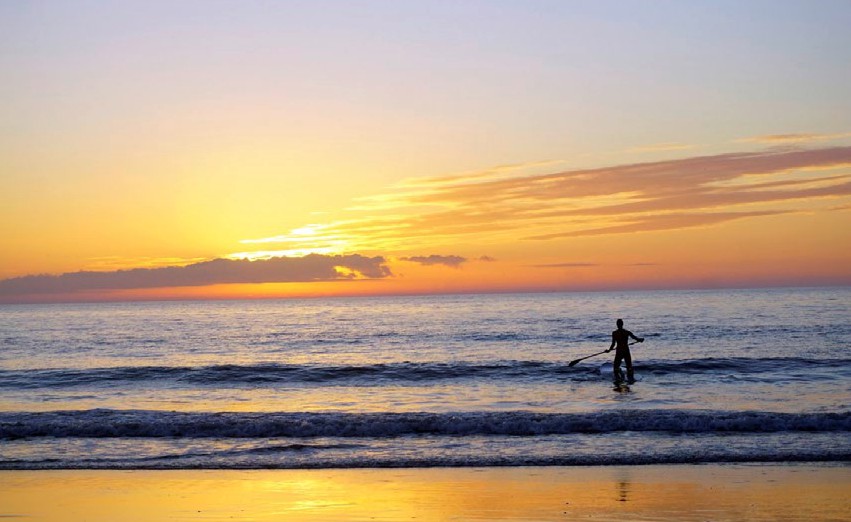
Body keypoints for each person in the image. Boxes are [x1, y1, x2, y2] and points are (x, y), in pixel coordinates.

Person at [606, 318, 644, 383]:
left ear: (617, 325)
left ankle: (618, 376)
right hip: (626, 351)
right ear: (622, 324)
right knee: (629, 366)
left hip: (619, 351)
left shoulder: (615, 333)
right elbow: (636, 338)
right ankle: (630, 377)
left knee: (615, 367)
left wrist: (609, 350)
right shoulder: (627, 332)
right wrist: (640, 340)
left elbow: (613, 344)